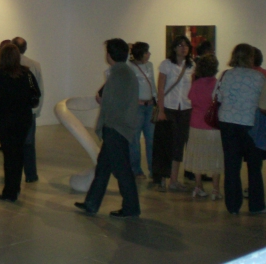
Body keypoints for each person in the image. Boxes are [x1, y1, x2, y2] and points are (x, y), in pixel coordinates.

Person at [75, 39, 140, 218]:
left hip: (116, 127)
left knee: (122, 170)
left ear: (110, 55)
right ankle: (91, 203)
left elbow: (112, 103)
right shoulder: (124, 72)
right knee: (103, 167)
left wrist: (102, 102)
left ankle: (131, 207)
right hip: (117, 126)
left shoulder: (120, 74)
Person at [217, 44, 266, 214]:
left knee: (231, 165)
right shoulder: (258, 77)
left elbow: (217, 96)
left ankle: (232, 206)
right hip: (250, 124)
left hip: (227, 122)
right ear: (251, 57)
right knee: (254, 166)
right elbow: (263, 103)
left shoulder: (226, 75)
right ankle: (256, 205)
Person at [0, 44, 40, 202]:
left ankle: (10, 190)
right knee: (18, 152)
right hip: (23, 119)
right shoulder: (26, 73)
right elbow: (35, 94)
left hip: (5, 119)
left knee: (9, 154)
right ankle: (15, 187)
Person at [154, 35, 195, 191]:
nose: (183, 48)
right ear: (174, 48)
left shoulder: (192, 65)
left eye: (186, 45)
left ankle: (174, 180)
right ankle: (162, 179)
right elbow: (161, 89)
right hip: (169, 108)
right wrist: (161, 110)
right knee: (165, 144)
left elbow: (193, 87)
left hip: (185, 109)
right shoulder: (166, 64)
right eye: (180, 45)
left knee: (179, 144)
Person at [183, 55, 223, 200]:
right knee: (215, 157)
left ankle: (198, 186)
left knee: (197, 155)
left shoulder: (196, 84)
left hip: (196, 124)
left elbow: (191, 99)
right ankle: (215, 189)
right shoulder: (217, 84)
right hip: (213, 125)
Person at [12, 37, 44, 183]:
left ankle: (13, 176)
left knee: (12, 145)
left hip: (11, 112)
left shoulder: (4, 65)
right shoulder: (34, 65)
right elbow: (40, 90)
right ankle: (31, 175)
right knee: (28, 144)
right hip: (29, 111)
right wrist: (36, 110)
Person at [127, 42, 157, 179]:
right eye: (146, 52)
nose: (149, 54)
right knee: (134, 139)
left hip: (150, 106)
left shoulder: (150, 65)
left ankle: (153, 169)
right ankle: (136, 169)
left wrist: (156, 100)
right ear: (140, 53)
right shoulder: (130, 66)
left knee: (151, 139)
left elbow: (152, 83)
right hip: (137, 107)